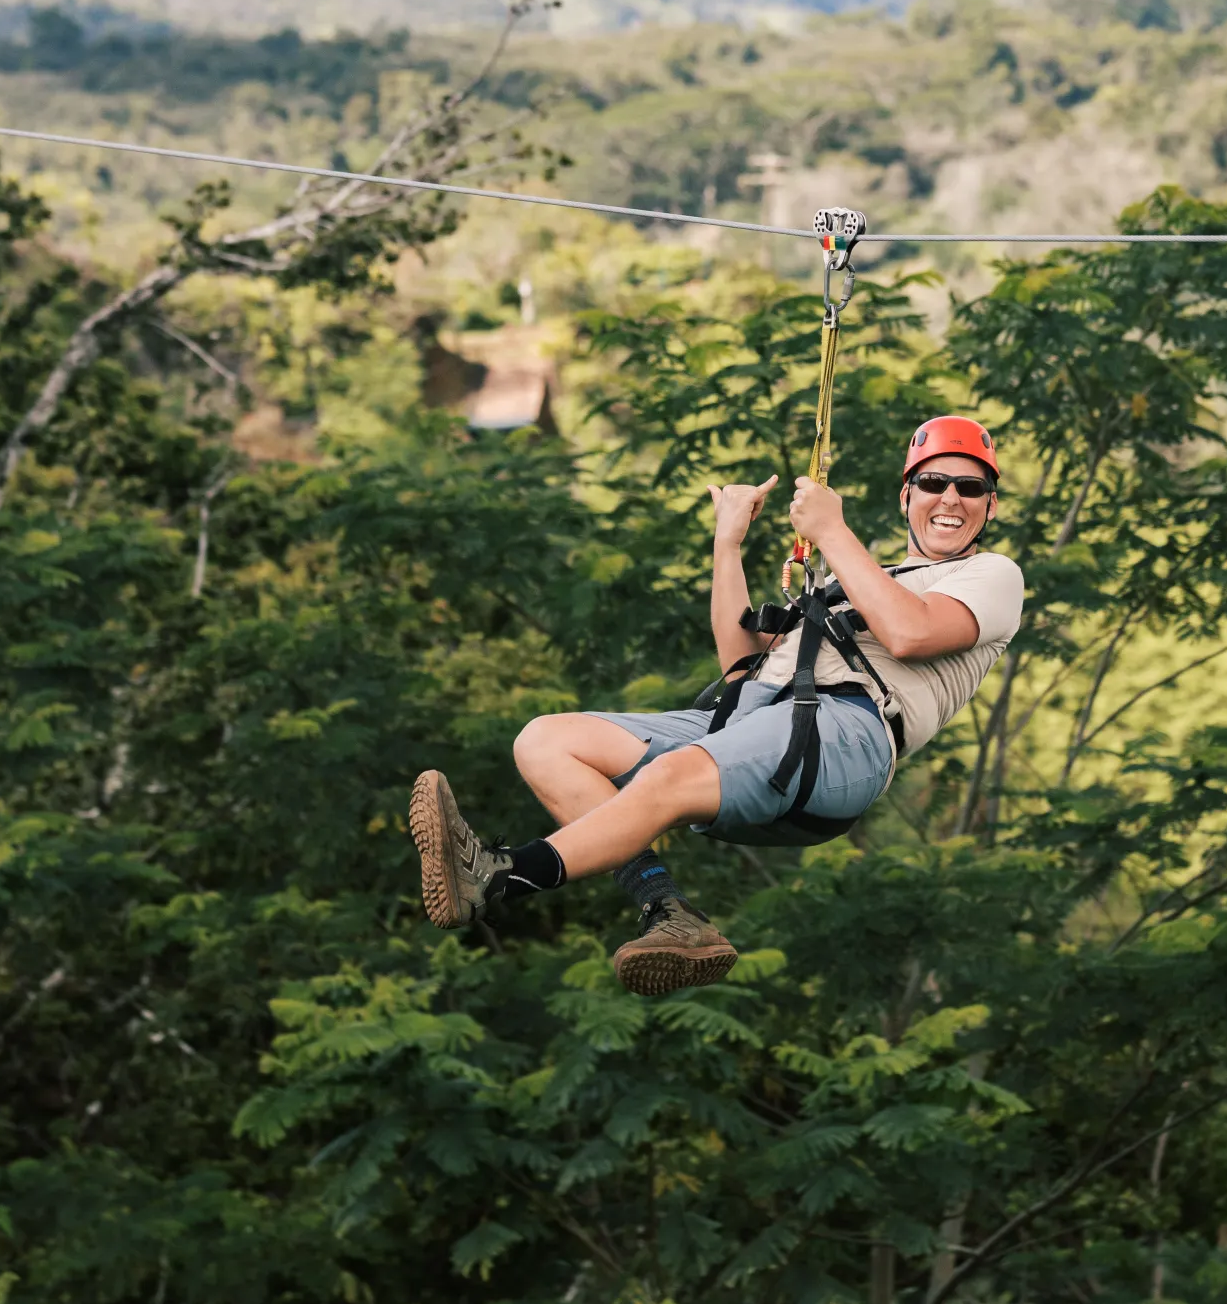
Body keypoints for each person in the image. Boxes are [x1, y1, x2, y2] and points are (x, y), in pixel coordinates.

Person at [409, 415, 1027, 995]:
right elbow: (740, 668)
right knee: (546, 741)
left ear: (989, 505)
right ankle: (669, 913)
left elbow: (911, 634)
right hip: (764, 716)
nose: (950, 498)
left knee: (669, 774)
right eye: (933, 482)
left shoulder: (992, 576)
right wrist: (727, 545)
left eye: (969, 487)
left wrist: (833, 532)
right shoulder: (865, 575)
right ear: (907, 495)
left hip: (846, 735)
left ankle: (499, 876)